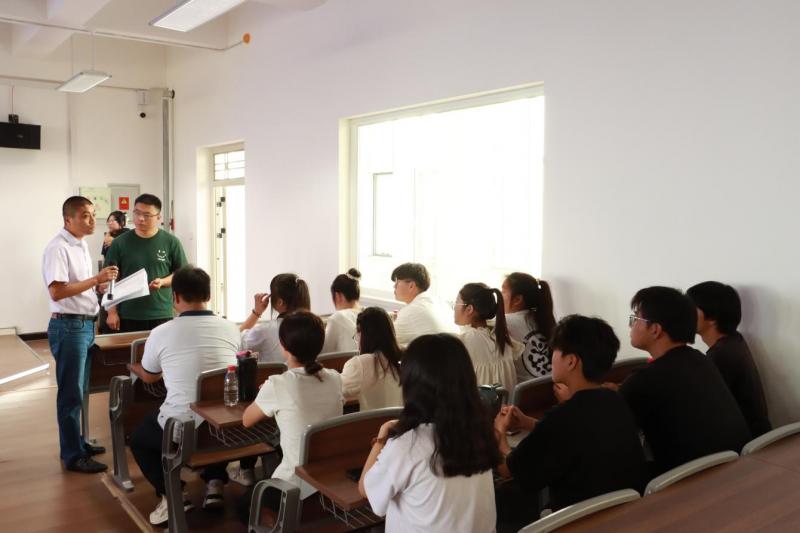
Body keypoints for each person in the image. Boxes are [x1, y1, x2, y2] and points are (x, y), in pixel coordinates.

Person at [494, 315, 646, 531]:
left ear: (571, 361)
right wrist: (528, 423)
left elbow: (508, 469)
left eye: (555, 351)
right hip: (624, 516)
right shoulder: (615, 400)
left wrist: (499, 432)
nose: (551, 357)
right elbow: (574, 436)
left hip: (577, 522)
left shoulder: (561, 418)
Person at [127, 266, 241, 526]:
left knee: (139, 439)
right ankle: (214, 483)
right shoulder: (231, 328)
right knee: (212, 407)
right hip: (227, 430)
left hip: (183, 431)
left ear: (175, 297)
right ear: (209, 295)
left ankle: (173, 494)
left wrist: (143, 368)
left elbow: (149, 377)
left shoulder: (161, 332)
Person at [359, 334, 500, 532]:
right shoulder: (481, 430)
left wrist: (382, 437)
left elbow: (365, 489)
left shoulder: (408, 445)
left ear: (412, 384)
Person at [620, 286, 751, 475]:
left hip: (688, 479)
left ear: (655, 329)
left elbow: (611, 429)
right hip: (735, 468)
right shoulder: (700, 360)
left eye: (635, 319)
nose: (631, 325)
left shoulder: (642, 380)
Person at [42, 196, 119, 474]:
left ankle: (79, 442)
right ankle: (73, 455)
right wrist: (96, 279)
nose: (92, 220)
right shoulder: (58, 248)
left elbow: (77, 286)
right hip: (69, 327)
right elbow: (57, 291)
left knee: (81, 389)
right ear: (68, 219)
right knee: (71, 393)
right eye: (85, 215)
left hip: (85, 325)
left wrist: (98, 287)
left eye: (93, 214)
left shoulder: (81, 245)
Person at [242, 311, 343, 514]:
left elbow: (246, 420)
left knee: (243, 504)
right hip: (331, 478)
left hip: (295, 484)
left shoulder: (278, 384)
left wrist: (266, 393)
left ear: (283, 345)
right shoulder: (335, 378)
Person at [687, 281, 771, 438]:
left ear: (712, 317)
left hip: (745, 445)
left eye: (690, 308)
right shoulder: (734, 340)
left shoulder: (720, 356)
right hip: (754, 437)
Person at [104, 194, 188, 332]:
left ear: (158, 217)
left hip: (161, 313)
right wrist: (111, 312)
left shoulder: (171, 242)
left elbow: (182, 275)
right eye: (137, 213)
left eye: (147, 215)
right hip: (128, 313)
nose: (140, 218)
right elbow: (110, 279)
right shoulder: (120, 243)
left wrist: (163, 282)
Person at [455, 282, 522, 392]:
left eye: (457, 302)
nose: (454, 307)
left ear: (469, 309)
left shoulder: (463, 341)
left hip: (480, 403)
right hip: (507, 403)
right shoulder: (501, 336)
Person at [341, 307, 403, 410]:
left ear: (362, 334)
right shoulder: (407, 358)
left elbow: (336, 391)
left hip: (372, 421)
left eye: (356, 335)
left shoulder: (359, 364)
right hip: (403, 420)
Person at [240, 273, 311, 363]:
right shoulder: (314, 328)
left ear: (280, 302)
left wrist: (257, 312)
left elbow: (235, 341)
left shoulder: (266, 330)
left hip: (276, 373)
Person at [502, 272, 556, 380]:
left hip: (524, 389)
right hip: (550, 384)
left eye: (503, 291)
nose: (499, 296)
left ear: (517, 300)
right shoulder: (542, 318)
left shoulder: (504, 322)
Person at [390, 262, 456, 345]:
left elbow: (385, 339)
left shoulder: (412, 311)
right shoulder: (439, 302)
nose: (394, 286)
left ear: (411, 286)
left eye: (397, 282)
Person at [321, 268, 361, 354]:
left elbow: (323, 353)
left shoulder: (337, 318)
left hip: (347, 363)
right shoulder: (369, 314)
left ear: (338, 296)